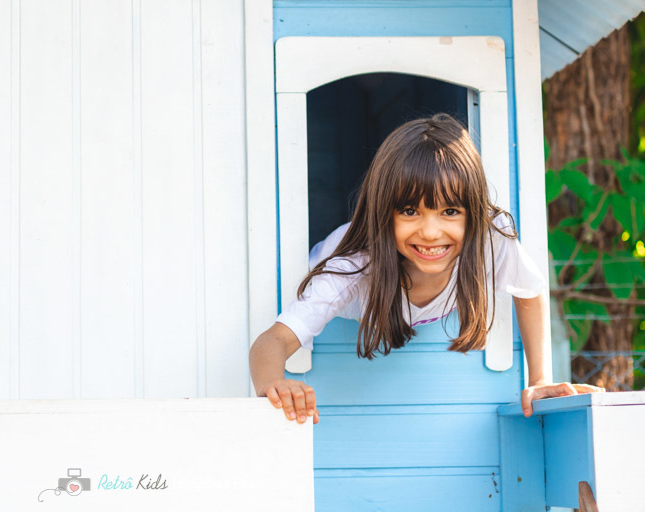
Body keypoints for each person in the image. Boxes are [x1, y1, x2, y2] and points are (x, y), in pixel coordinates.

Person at [249, 114, 601, 423]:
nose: (431, 232)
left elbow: (530, 289)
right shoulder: (352, 266)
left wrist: (538, 378)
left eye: (450, 212)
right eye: (409, 211)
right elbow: (272, 340)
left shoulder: (491, 239)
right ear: (383, 214)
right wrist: (272, 383)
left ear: (473, 213)